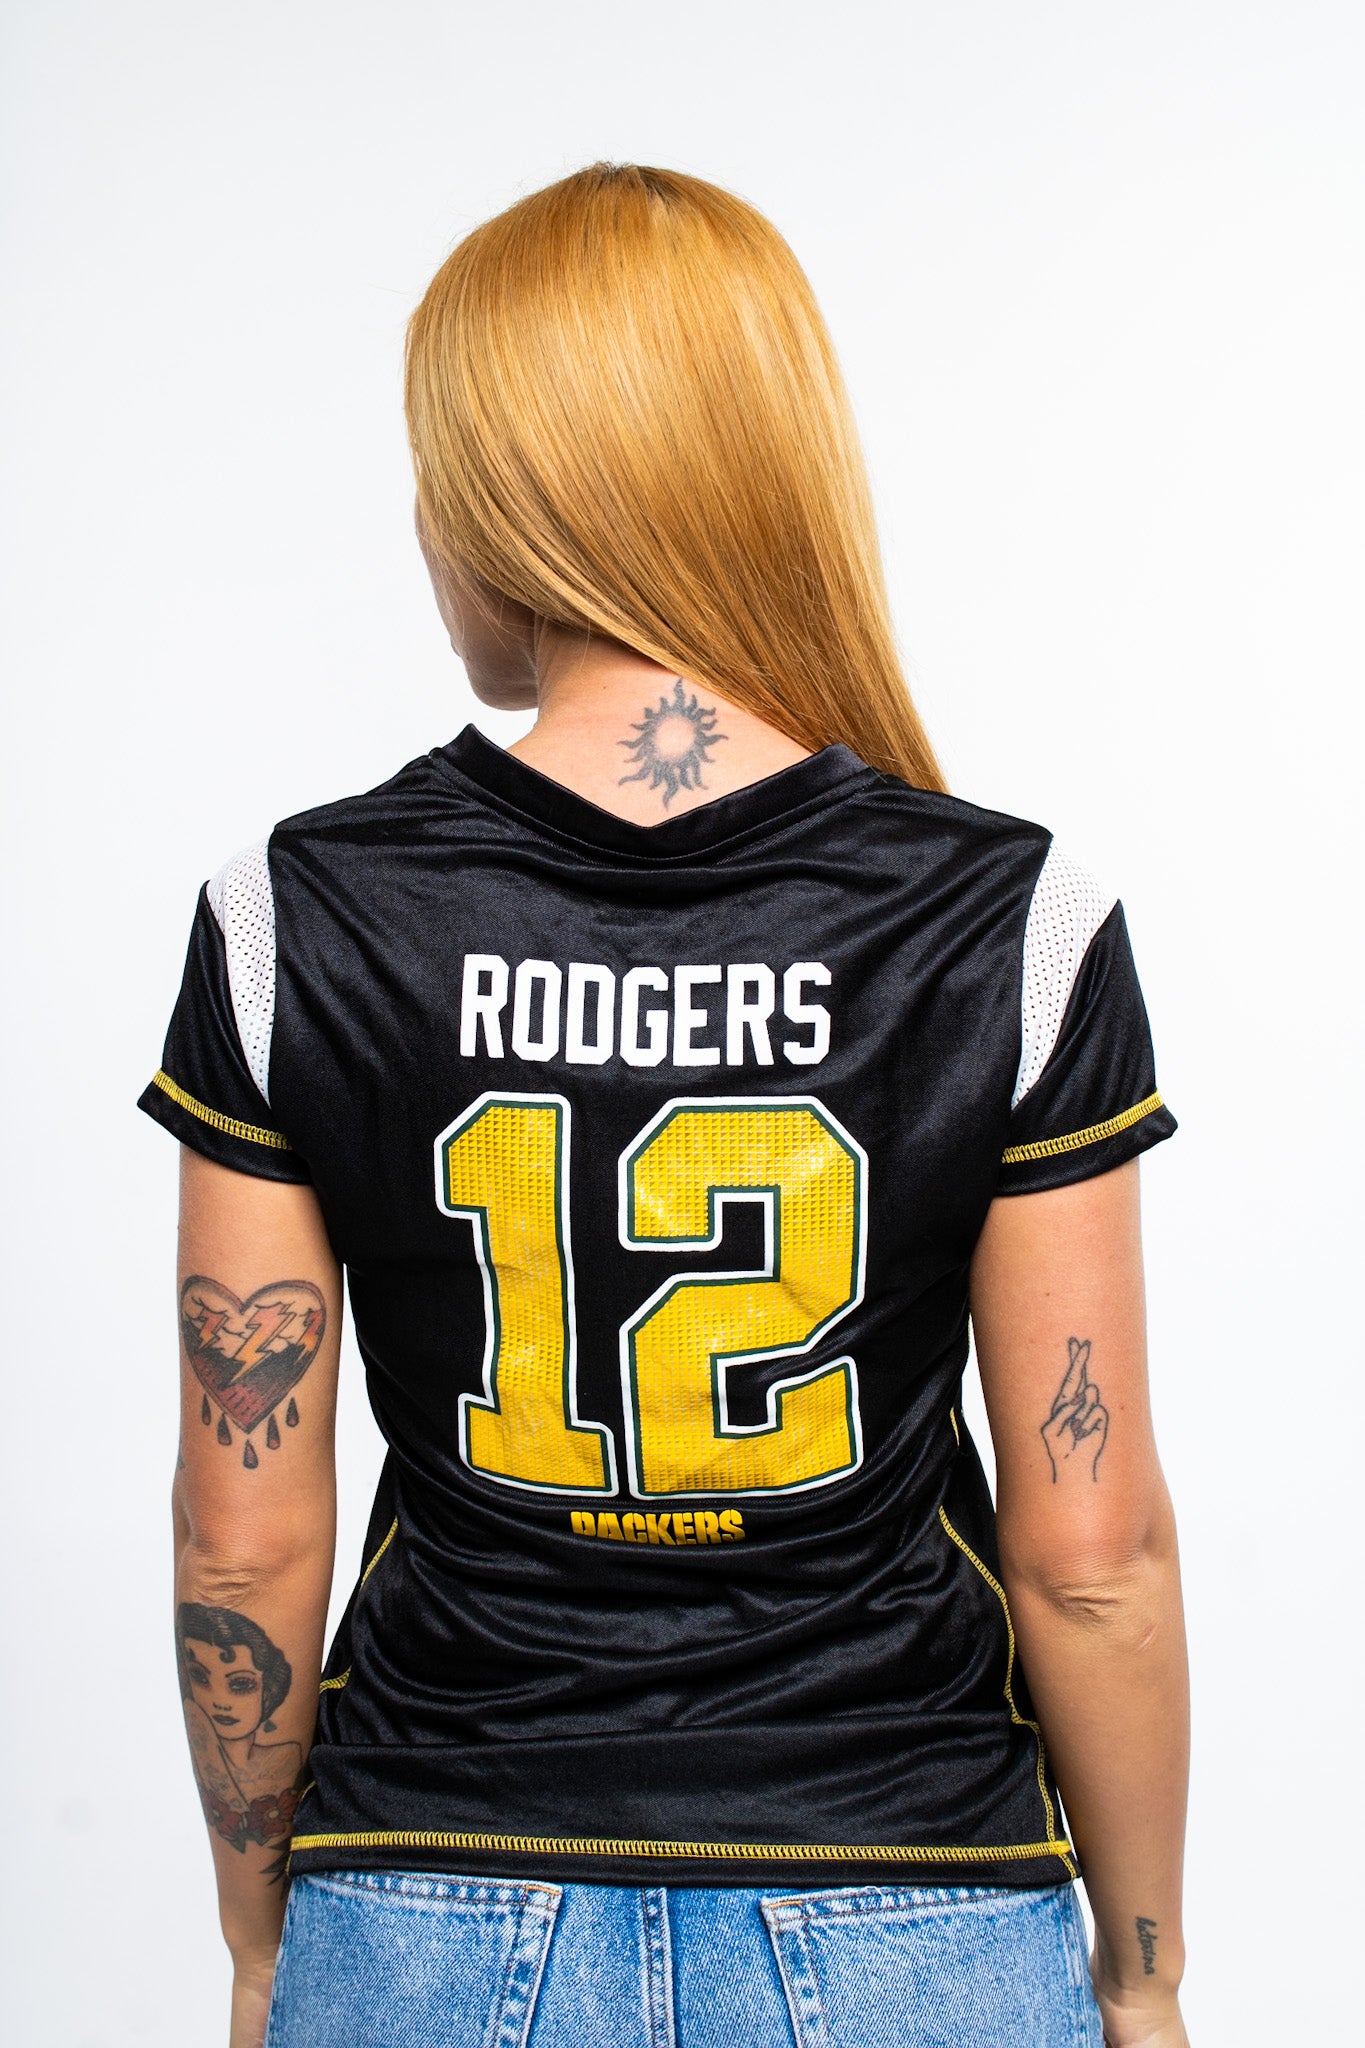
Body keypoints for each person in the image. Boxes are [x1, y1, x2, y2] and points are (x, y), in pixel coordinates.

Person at [141, 163, 1190, 2048]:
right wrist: (1143, 1974)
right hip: (910, 1903)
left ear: (502, 496)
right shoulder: (1007, 919)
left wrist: (256, 1947)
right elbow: (1090, 1553)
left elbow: (244, 1532)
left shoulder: (296, 915)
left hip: (425, 1892)